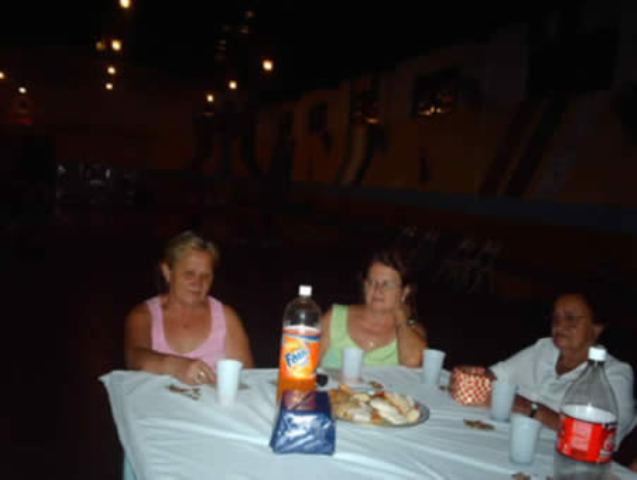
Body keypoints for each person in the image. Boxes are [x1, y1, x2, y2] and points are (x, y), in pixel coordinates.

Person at [489, 290, 635, 443]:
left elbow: (607, 437)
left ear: (596, 327)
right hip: (507, 435)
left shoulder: (614, 373)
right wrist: (475, 378)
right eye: (555, 318)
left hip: (558, 452)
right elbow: (493, 377)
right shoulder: (543, 348)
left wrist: (534, 410)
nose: (559, 325)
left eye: (570, 319)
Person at [125, 231, 253, 385]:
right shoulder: (144, 315)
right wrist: (177, 367)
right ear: (167, 272)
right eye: (189, 274)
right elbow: (135, 359)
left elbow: (248, 379)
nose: (198, 283)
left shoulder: (226, 317)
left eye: (205, 276)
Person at [320, 248, 427, 369]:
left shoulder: (411, 330)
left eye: (387, 284)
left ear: (405, 292)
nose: (377, 290)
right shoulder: (335, 317)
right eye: (372, 282)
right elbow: (306, 362)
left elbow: (412, 362)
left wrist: (401, 319)